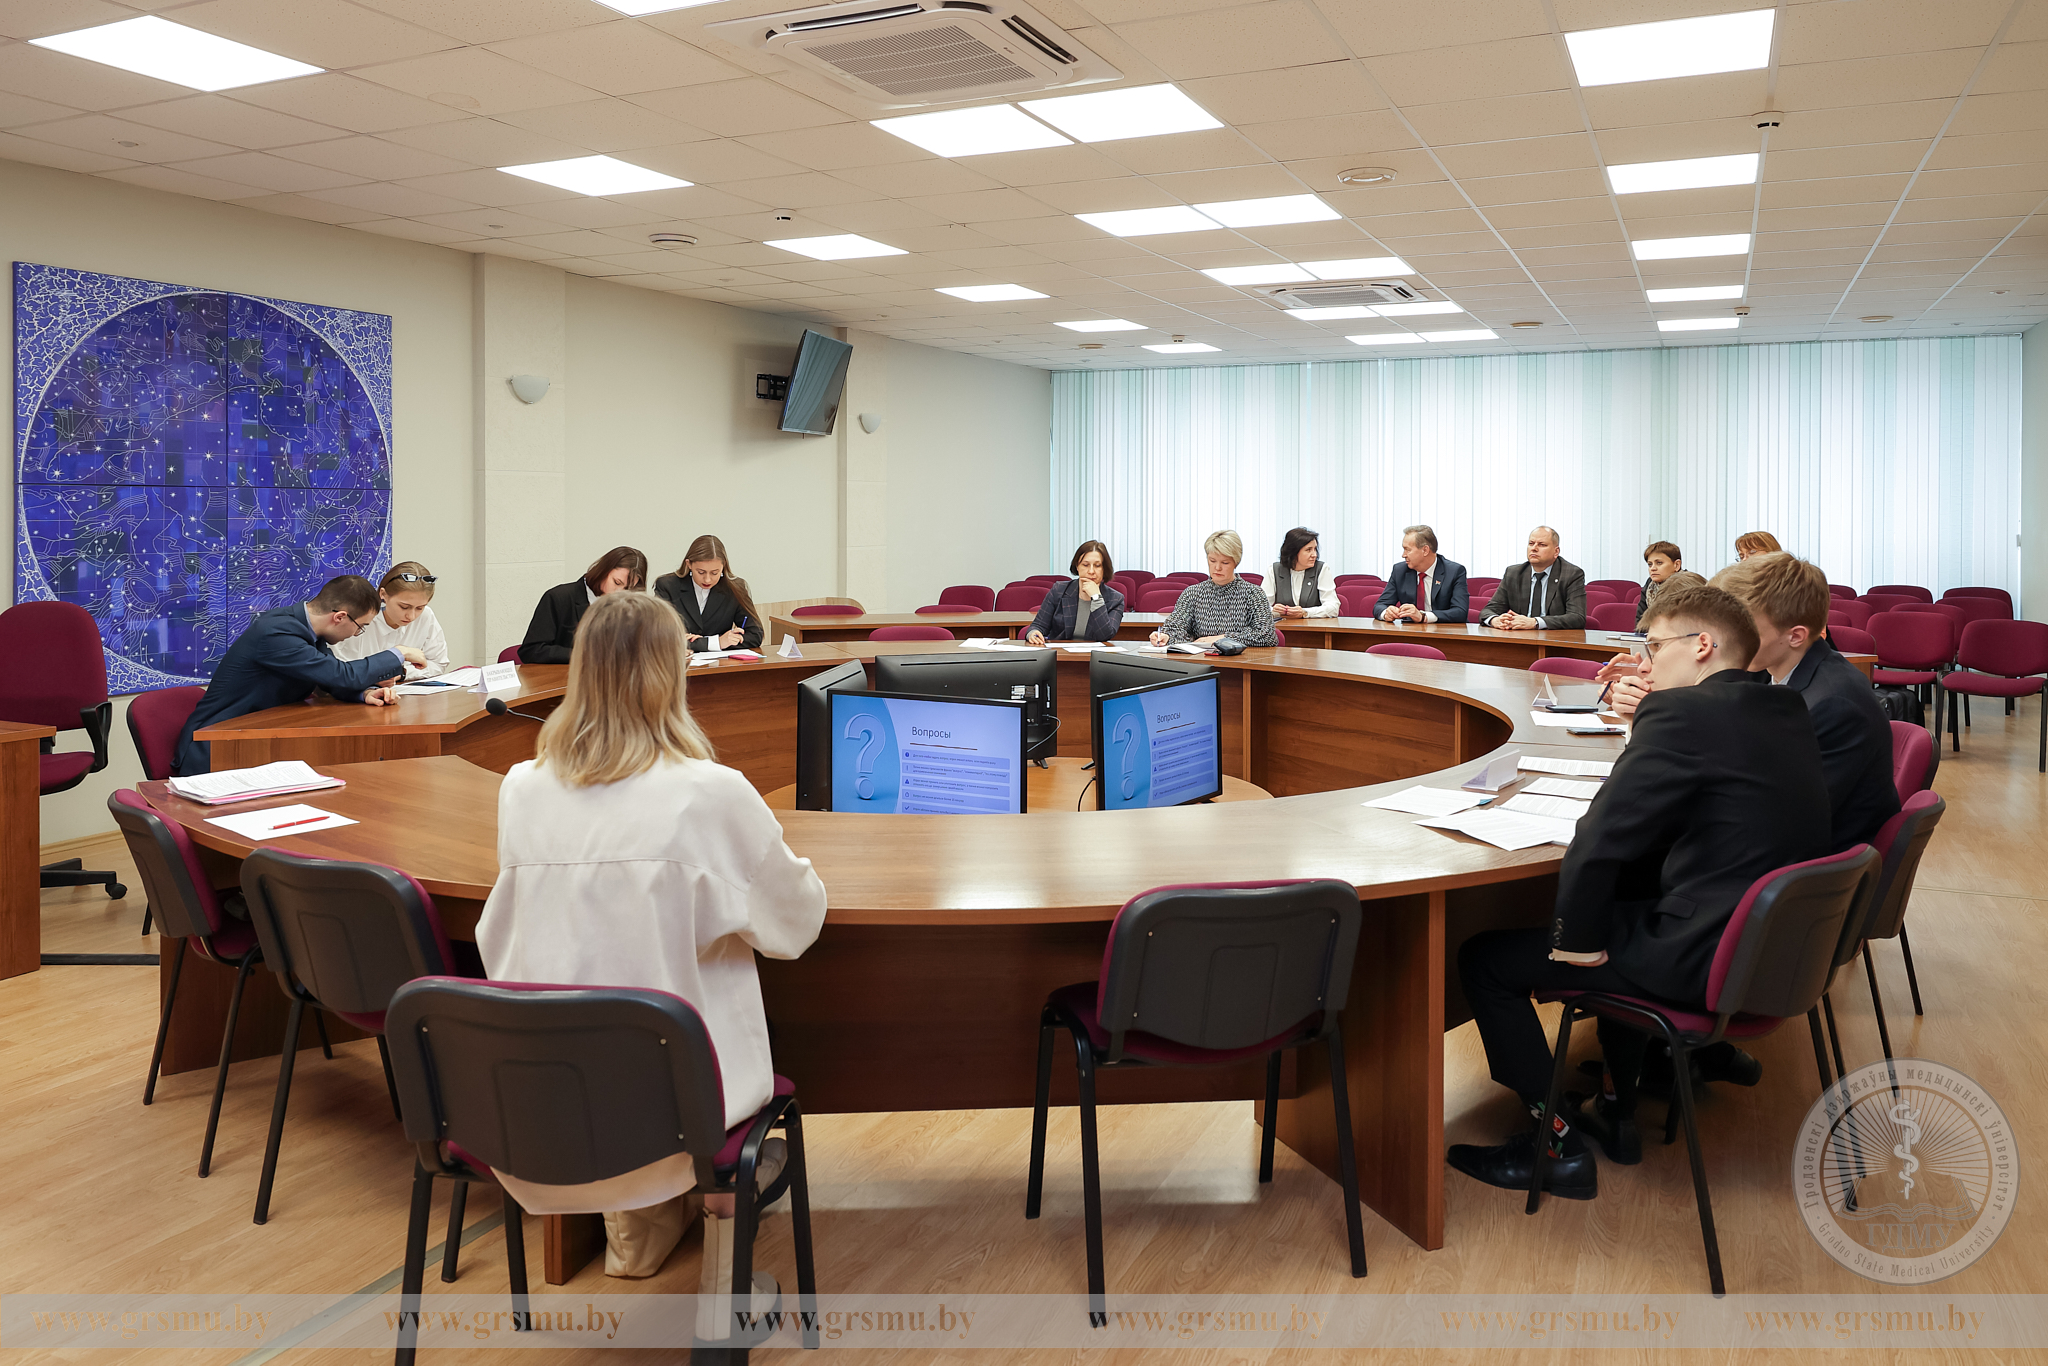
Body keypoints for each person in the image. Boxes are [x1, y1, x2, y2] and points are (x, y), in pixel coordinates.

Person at [475, 591, 828, 1303]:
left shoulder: (521, 788)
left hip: (544, 1103)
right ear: (675, 673)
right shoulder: (709, 793)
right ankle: (712, 1236)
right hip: (682, 1111)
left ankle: (637, 1235)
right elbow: (794, 927)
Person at [1448, 585, 1830, 1200]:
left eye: (1653, 647)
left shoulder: (1682, 714)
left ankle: (1557, 1148)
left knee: (1484, 959)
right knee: (1625, 899)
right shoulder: (1781, 705)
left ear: (1702, 645)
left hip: (1701, 954)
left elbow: (1598, 841)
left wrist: (1578, 947)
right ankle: (1615, 1099)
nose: (1644, 665)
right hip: (1765, 950)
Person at [1714, 552, 1899, 849]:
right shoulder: (1768, 669)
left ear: (1796, 636)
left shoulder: (1834, 705)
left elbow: (1782, 816)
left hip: (1817, 861)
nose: (1726, 638)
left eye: (1742, 627)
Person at [173, 576, 420, 776]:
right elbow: (343, 674)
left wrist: (364, 694)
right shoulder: (278, 634)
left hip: (255, 740)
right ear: (340, 617)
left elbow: (329, 677)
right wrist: (400, 653)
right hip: (215, 748)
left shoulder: (306, 630)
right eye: (360, 627)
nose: (356, 634)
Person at [1148, 531, 1280, 647]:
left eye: (1225, 563)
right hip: (1201, 660)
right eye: (1212, 561)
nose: (1217, 568)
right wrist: (1166, 636)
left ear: (1236, 562)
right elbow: (1175, 626)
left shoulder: (1253, 594)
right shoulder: (1193, 593)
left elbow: (1266, 636)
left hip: (1240, 661)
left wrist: (1222, 638)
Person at [518, 547, 647, 664]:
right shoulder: (559, 597)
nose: (618, 593)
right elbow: (531, 651)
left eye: (627, 589)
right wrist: (586, 654)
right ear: (604, 570)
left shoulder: (628, 607)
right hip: (565, 679)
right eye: (617, 582)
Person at [332, 562, 450, 677]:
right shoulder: (358, 618)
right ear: (383, 594)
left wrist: (402, 673)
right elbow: (339, 671)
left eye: (420, 608)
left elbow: (438, 663)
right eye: (404, 607)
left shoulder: (426, 616)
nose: (411, 616)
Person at [653, 535, 764, 652]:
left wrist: (725, 641)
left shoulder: (735, 588)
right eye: (701, 572)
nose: (707, 580)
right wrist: (717, 642)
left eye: (714, 573)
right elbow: (661, 637)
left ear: (723, 566)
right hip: (680, 661)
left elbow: (755, 635)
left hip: (722, 662)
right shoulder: (667, 586)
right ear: (689, 564)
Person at [1479, 526, 1586, 631]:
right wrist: (1495, 620)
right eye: (1531, 543)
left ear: (1556, 551)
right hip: (1519, 636)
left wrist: (1535, 622)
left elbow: (1577, 617)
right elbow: (1488, 610)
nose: (1534, 548)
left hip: (1553, 637)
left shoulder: (1571, 574)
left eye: (1542, 545)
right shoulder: (1514, 573)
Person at [1027, 540, 1125, 644]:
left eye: (1097, 565)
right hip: (1060, 652)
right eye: (1085, 565)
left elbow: (1104, 635)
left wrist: (1096, 598)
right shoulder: (1059, 590)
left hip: (1095, 653)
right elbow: (1038, 625)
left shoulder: (1115, 599)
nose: (1091, 571)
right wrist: (1033, 633)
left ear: (1104, 569)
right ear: (1077, 566)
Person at [1373, 525, 1468, 624]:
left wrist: (1423, 616)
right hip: (1410, 631)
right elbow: (1379, 606)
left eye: (1408, 550)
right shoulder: (1400, 571)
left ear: (1425, 550)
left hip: (1444, 630)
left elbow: (1460, 612)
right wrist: (1386, 613)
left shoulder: (1454, 571)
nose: (1403, 555)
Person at [1264, 526, 1337, 620]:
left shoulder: (1321, 569)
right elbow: (1259, 607)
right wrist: (1274, 610)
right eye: (1308, 550)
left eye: (1315, 549)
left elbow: (1333, 607)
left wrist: (1305, 612)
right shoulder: (1274, 570)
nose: (1314, 555)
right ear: (1293, 552)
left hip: (1313, 626)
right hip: (1282, 626)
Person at [1634, 540, 1685, 628]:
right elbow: (1640, 622)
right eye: (1650, 564)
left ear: (1677, 565)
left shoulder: (1689, 584)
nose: (1653, 568)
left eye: (1659, 563)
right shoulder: (1650, 585)